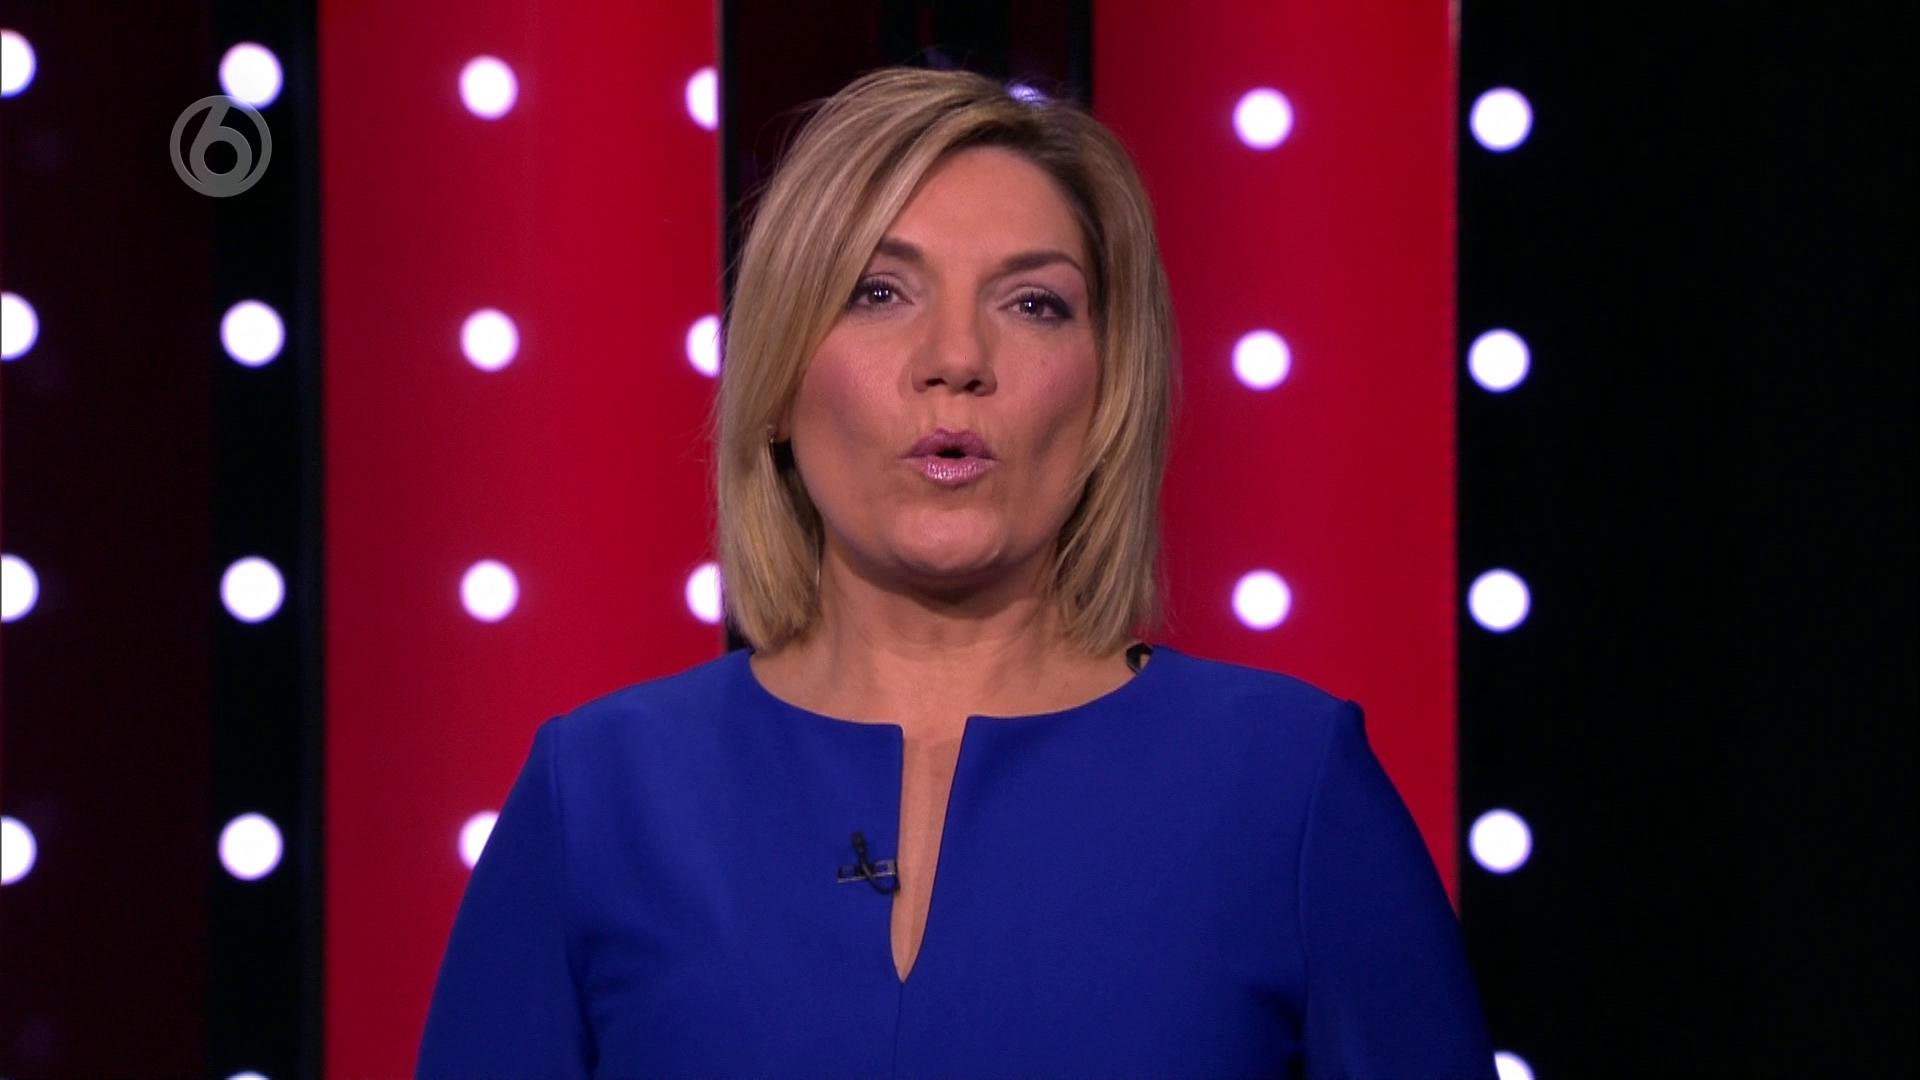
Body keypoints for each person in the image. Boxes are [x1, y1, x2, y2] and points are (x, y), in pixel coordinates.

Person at [417, 65, 1495, 1079]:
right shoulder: (599, 794)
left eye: (1033, 304)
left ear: (1108, 394)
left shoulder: (1287, 785)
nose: (957, 360)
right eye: (879, 291)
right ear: (780, 378)